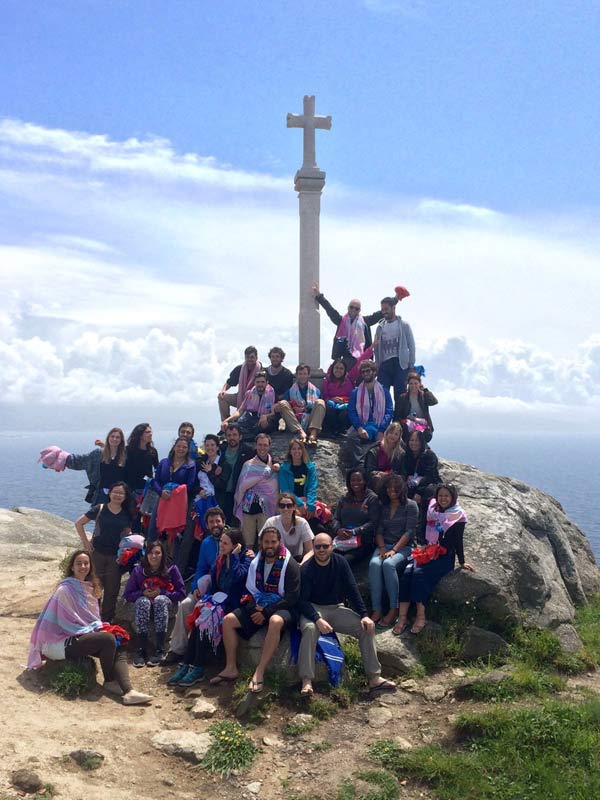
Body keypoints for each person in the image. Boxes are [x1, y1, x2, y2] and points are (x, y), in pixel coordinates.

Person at [27, 549, 152, 705]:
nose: (83, 566)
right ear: (72, 567)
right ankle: (110, 680)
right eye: (78, 563)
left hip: (79, 635)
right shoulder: (64, 589)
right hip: (60, 641)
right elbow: (62, 620)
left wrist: (94, 628)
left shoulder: (90, 587)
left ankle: (129, 691)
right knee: (107, 638)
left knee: (119, 640)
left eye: (86, 563)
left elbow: (90, 619)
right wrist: (88, 629)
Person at [297, 532, 396, 697]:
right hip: (314, 609)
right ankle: (307, 680)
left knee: (365, 628)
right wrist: (317, 619)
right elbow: (302, 601)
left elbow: (352, 590)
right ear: (313, 548)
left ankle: (374, 678)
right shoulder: (307, 568)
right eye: (317, 546)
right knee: (309, 628)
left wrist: (364, 615)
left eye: (325, 546)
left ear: (332, 547)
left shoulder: (340, 562)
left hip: (336, 607)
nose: (321, 550)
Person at [209, 527, 301, 693]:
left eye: (273, 542)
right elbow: (248, 591)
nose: (270, 546)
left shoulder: (290, 565)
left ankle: (260, 671)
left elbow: (292, 597)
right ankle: (231, 667)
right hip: (258, 604)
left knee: (274, 621)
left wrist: (265, 612)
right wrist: (253, 610)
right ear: (261, 543)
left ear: (279, 542)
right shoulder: (255, 562)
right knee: (228, 620)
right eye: (266, 542)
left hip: (282, 606)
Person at [167, 529, 252, 687]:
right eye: (221, 542)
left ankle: (198, 667)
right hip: (218, 602)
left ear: (236, 546)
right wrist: (208, 601)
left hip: (233, 605)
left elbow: (237, 577)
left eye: (225, 543)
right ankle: (187, 664)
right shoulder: (219, 560)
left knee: (206, 621)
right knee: (201, 617)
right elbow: (214, 584)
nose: (221, 545)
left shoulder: (245, 559)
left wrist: (234, 557)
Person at [394, 484, 474, 635]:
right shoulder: (433, 510)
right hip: (428, 551)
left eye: (447, 496)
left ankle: (420, 616)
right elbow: (423, 527)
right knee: (407, 572)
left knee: (419, 575)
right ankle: (402, 617)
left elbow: (458, 540)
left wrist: (462, 561)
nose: (443, 499)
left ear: (453, 498)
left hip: (443, 557)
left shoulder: (458, 515)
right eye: (440, 496)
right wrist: (423, 545)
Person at [163, 507, 227, 663]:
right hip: (207, 586)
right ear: (206, 525)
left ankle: (201, 656)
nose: (215, 525)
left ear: (224, 522)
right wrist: (195, 588)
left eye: (218, 521)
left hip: (224, 588)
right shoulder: (206, 543)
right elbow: (201, 568)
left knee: (203, 607)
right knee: (185, 605)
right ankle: (178, 649)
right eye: (211, 522)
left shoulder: (232, 538)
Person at [75, 481, 135, 622]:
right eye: (115, 492)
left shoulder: (127, 514)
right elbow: (79, 523)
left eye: (121, 493)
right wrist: (86, 542)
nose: (118, 495)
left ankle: (107, 620)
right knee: (94, 587)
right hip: (97, 554)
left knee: (112, 590)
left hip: (116, 556)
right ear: (110, 493)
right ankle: (91, 618)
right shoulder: (100, 508)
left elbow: (127, 533)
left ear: (125, 497)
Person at [123, 541, 186, 667]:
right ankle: (141, 650)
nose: (154, 556)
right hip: (145, 606)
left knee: (160, 600)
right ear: (146, 555)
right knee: (143, 602)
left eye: (157, 553)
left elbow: (181, 593)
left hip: (166, 605)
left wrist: (162, 592)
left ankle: (160, 650)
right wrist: (142, 593)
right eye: (151, 553)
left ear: (163, 555)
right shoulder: (139, 570)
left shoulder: (172, 569)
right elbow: (128, 594)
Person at [369, 474, 418, 629]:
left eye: (395, 487)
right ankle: (376, 609)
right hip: (385, 545)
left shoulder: (411, 506)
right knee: (375, 564)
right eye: (389, 487)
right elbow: (379, 530)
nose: (392, 490)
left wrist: (394, 550)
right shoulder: (385, 506)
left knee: (388, 565)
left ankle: (394, 608)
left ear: (402, 488)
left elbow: (409, 532)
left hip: (404, 547)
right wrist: (383, 548)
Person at [311, 283, 383, 368]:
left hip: (362, 358)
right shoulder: (341, 321)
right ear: (348, 307)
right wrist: (319, 296)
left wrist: (395, 299)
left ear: (359, 310)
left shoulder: (365, 322)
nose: (353, 310)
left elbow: (379, 314)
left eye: (356, 308)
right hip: (345, 358)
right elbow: (330, 310)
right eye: (351, 307)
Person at [341, 360, 393, 469]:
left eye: (368, 371)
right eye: (363, 372)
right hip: (362, 425)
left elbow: (389, 411)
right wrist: (359, 428)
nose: (365, 374)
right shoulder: (355, 392)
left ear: (374, 372)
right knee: (351, 438)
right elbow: (352, 411)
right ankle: (360, 465)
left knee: (394, 441)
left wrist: (381, 429)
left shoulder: (384, 391)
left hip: (380, 426)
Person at [234, 433, 280, 549]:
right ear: (256, 446)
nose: (262, 448)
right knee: (247, 543)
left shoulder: (274, 467)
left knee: (264, 543)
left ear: (269, 446)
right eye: (260, 445)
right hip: (248, 508)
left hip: (266, 509)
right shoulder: (248, 464)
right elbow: (242, 486)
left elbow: (274, 488)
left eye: (265, 445)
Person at [149, 437, 197, 546]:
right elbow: (155, 481)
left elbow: (190, 485)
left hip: (178, 503)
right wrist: (161, 492)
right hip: (163, 499)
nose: (181, 449)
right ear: (174, 447)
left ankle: (172, 559)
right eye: (179, 446)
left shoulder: (190, 465)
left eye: (184, 447)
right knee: (154, 528)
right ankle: (150, 556)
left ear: (188, 449)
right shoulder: (164, 462)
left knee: (175, 532)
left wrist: (176, 492)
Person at [330, 468, 380, 564]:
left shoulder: (372, 498)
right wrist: (338, 530)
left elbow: (373, 522)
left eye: (359, 480)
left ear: (364, 481)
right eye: (352, 480)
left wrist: (354, 532)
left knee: (343, 562)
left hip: (363, 542)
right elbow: (336, 518)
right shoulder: (344, 498)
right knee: (328, 558)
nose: (355, 483)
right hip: (343, 540)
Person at [373, 296, 416, 406]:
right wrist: (377, 365)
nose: (384, 312)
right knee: (381, 393)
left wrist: (411, 366)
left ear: (393, 308)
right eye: (382, 309)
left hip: (400, 363)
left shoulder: (404, 325)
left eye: (386, 309)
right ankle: (382, 420)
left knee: (400, 394)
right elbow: (377, 348)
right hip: (385, 364)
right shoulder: (380, 328)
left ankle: (399, 421)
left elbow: (411, 346)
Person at [275, 364, 327, 445]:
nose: (302, 376)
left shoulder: (316, 391)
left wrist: (304, 409)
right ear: (296, 375)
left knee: (321, 402)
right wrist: (293, 407)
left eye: (305, 374)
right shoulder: (290, 391)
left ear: (309, 375)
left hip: (310, 421)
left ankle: (313, 434)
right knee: (283, 403)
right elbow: (284, 407)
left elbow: (318, 410)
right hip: (295, 422)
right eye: (300, 374)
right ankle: (300, 432)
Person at [402, 430, 441, 532]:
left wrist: (419, 491)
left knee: (428, 494)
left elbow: (431, 476)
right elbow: (403, 472)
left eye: (417, 440)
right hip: (412, 485)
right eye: (411, 440)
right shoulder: (407, 455)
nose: (414, 443)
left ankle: (423, 529)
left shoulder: (429, 455)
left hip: (428, 485)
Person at [260, 492, 314, 562]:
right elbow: (262, 545)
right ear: (278, 507)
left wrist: (302, 564)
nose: (285, 509)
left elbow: (310, 550)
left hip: (297, 559)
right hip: (275, 558)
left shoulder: (302, 523)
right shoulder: (271, 522)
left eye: (289, 506)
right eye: (282, 506)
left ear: (294, 507)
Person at [221, 371, 277, 438]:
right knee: (233, 426)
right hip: (252, 418)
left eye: (262, 382)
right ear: (254, 383)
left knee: (263, 425)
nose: (260, 384)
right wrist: (226, 420)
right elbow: (239, 411)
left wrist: (266, 416)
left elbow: (275, 414)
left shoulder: (271, 394)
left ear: (267, 383)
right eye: (258, 382)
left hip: (267, 420)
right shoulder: (250, 394)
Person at [219, 423, 254, 525]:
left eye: (234, 435)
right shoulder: (221, 450)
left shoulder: (247, 451)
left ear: (240, 436)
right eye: (229, 435)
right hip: (222, 492)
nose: (232, 438)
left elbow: (261, 457)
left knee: (236, 524)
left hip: (239, 493)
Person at [218, 346, 262, 421]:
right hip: (241, 397)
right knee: (222, 397)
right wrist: (223, 390)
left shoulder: (261, 370)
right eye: (247, 357)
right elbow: (229, 382)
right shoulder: (240, 369)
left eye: (252, 357)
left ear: (256, 358)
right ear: (245, 358)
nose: (250, 359)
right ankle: (226, 423)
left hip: (256, 399)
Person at [277, 438, 318, 518]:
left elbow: (312, 487)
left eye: (299, 448)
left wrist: (310, 505)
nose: (297, 451)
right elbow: (285, 490)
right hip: (291, 503)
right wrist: (299, 504)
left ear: (303, 450)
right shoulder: (284, 469)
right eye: (294, 449)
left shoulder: (310, 467)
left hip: (308, 503)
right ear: (290, 451)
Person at [394, 372, 438, 442]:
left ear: (419, 384)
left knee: (423, 437)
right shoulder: (402, 398)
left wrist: (425, 390)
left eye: (416, 383)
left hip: (423, 426)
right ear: (408, 384)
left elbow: (434, 402)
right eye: (411, 383)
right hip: (407, 427)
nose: (413, 386)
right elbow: (396, 416)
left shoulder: (423, 396)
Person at [363, 421, 405, 493]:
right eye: (391, 433)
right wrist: (379, 474)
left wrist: (390, 476)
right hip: (376, 482)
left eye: (396, 434)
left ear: (399, 437)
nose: (393, 436)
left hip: (393, 482)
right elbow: (369, 471)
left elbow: (402, 473)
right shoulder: (374, 450)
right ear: (386, 433)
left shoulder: (401, 454)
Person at [321, 359, 355, 436]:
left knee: (344, 413)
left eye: (341, 368)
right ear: (333, 369)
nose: (338, 370)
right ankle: (329, 431)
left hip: (344, 404)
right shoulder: (328, 380)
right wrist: (332, 399)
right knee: (328, 408)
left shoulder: (348, 381)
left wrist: (344, 401)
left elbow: (352, 397)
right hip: (331, 404)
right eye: (336, 368)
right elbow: (325, 395)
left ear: (344, 370)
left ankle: (341, 431)